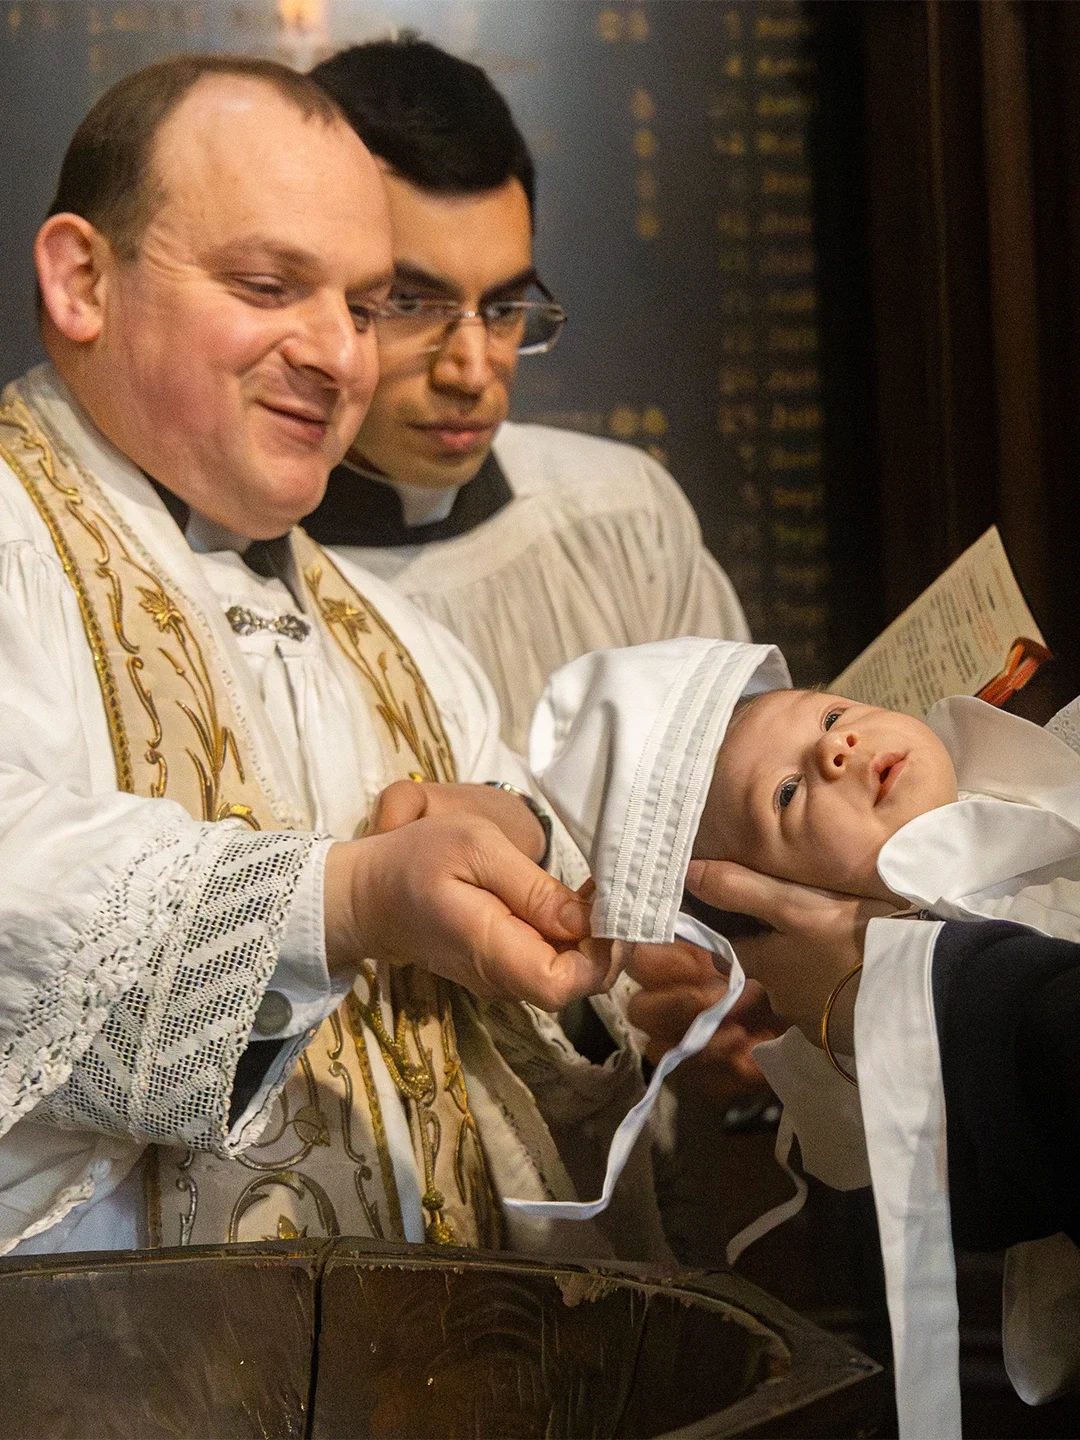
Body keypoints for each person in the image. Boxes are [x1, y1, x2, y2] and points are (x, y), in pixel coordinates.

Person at [0, 54, 673, 1266]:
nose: (341, 355)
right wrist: (349, 899)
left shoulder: (404, 649)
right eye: (270, 285)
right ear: (81, 278)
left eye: (365, 307)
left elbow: (518, 1079)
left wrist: (592, 968)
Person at [529, 638, 1080, 1440]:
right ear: (779, 906)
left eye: (829, 713)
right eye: (786, 794)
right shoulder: (842, 1061)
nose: (835, 744)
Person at [301, 36, 749, 757]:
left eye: (505, 308)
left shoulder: (623, 521)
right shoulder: (223, 570)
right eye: (412, 303)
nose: (472, 372)